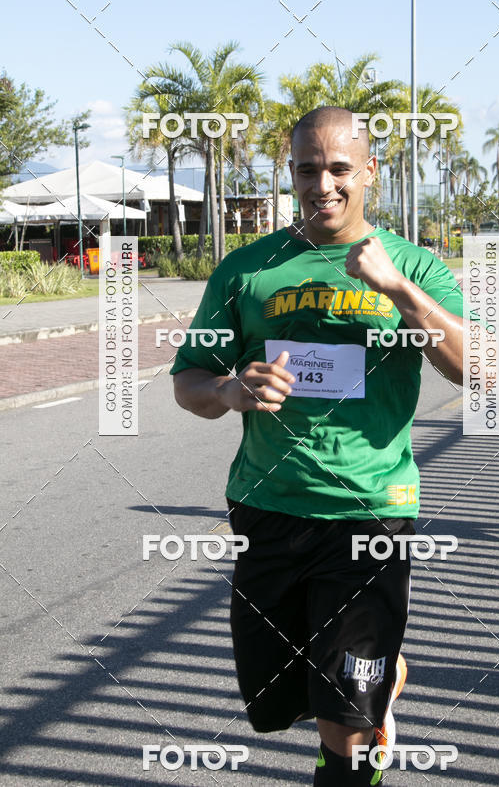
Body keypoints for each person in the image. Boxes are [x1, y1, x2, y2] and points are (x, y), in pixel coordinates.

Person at [171, 106, 464, 785]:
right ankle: (381, 677)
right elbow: (188, 382)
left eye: (338, 168)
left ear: (370, 173)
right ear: (292, 173)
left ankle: (360, 721)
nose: (322, 184)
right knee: (276, 702)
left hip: (369, 512)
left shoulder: (416, 265)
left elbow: (475, 367)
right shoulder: (246, 271)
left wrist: (394, 286)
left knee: (344, 727)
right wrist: (228, 389)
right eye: (307, 169)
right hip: (266, 506)